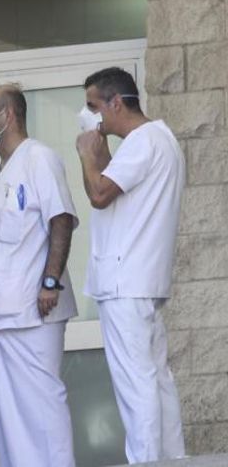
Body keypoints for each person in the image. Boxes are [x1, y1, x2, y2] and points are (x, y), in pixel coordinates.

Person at [75, 67, 185, 463]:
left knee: (135, 383)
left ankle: (146, 461)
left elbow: (99, 193)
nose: (89, 116)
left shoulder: (142, 142)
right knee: (156, 381)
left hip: (126, 280)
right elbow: (106, 183)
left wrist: (86, 153)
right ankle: (172, 459)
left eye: (93, 107)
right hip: (143, 280)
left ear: (115, 102)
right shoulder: (161, 139)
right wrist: (98, 157)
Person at [0, 84, 77, 467]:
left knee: (41, 406)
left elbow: (61, 218)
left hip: (31, 312)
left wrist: (50, 282)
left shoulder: (39, 158)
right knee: (9, 417)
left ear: (8, 115)